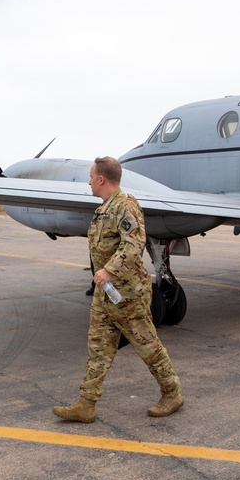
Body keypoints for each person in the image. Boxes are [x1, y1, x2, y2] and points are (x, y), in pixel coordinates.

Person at [53, 156, 183, 423]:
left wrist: (108, 269)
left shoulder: (125, 206)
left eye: (91, 177)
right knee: (98, 347)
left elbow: (133, 244)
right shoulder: (105, 208)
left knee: (147, 346)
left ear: (101, 179)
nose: (88, 182)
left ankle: (172, 393)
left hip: (128, 295)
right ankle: (86, 404)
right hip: (107, 293)